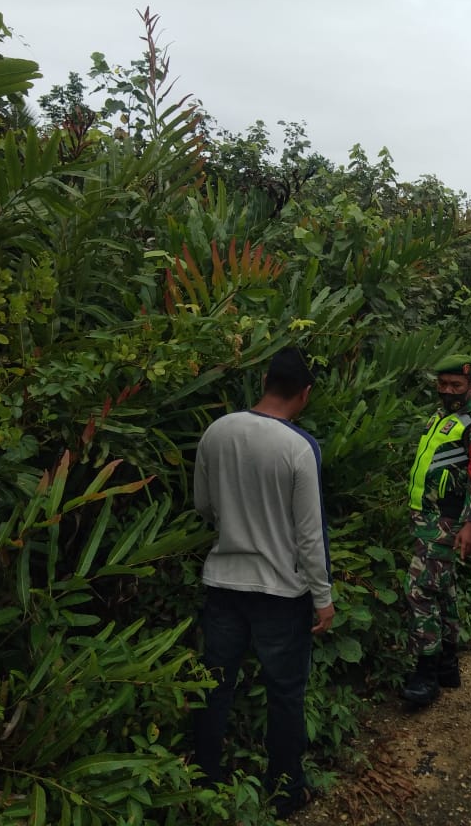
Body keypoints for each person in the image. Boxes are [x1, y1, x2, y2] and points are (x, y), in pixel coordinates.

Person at [192, 347, 334, 819]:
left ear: (266, 380)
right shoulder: (299, 447)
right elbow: (309, 535)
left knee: (215, 684)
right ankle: (286, 789)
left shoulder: (218, 431)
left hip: (223, 582)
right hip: (280, 593)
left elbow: (204, 507)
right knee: (285, 693)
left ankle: (204, 780)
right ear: (305, 394)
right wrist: (324, 597)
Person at [401, 355, 471, 706]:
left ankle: (425, 673)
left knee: (419, 591)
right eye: (443, 385)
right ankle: (447, 664)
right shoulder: (441, 416)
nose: (448, 391)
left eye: (455, 386)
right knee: (442, 590)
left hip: (446, 521)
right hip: (426, 517)